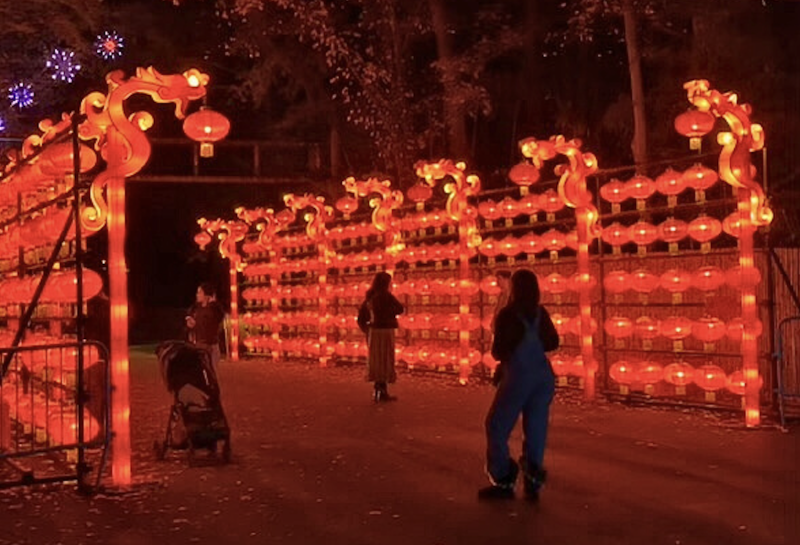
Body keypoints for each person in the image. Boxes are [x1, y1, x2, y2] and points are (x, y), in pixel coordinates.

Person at [479, 269, 560, 502]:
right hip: (543, 377)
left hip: (519, 375)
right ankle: (533, 479)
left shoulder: (508, 315)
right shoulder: (540, 313)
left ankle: (503, 476)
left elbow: (498, 351)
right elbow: (552, 342)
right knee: (536, 428)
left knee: (496, 425)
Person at [357, 272, 404, 402]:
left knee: (376, 360)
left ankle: (378, 389)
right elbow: (400, 309)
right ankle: (382, 391)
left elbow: (361, 317)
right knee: (385, 359)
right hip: (385, 331)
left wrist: (366, 329)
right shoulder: (387, 297)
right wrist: (388, 314)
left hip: (374, 331)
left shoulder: (370, 297)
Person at [185, 282, 225, 369]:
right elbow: (196, 325)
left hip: (210, 346)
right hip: (199, 345)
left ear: (207, 295)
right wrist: (191, 324)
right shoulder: (197, 309)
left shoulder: (214, 309)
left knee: (210, 374)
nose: (197, 295)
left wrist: (214, 304)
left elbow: (217, 318)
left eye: (200, 292)